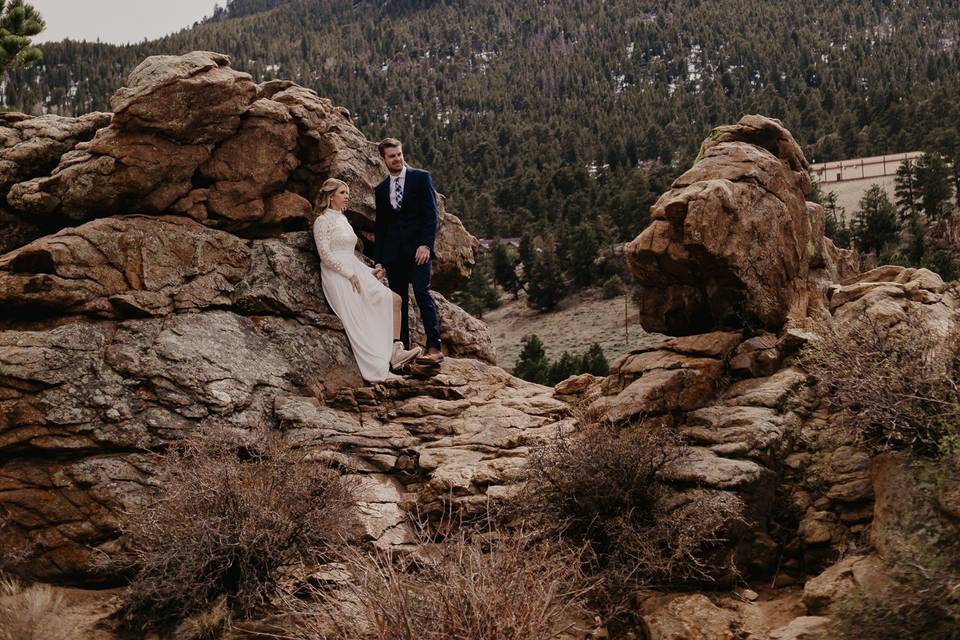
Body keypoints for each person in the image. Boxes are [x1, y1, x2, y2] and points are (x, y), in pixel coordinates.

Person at [312, 178, 421, 381]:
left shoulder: (343, 219)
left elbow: (349, 254)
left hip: (354, 270)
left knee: (395, 299)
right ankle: (378, 367)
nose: (347, 197)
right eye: (343, 193)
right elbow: (325, 256)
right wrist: (349, 274)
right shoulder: (322, 221)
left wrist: (367, 271)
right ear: (330, 196)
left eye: (348, 193)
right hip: (338, 275)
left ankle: (396, 351)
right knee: (361, 320)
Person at [373, 138, 443, 364]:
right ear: (383, 159)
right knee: (399, 301)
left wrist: (426, 245)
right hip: (394, 255)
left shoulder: (421, 178)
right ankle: (402, 352)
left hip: (419, 251)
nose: (397, 159)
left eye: (399, 154)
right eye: (392, 156)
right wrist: (379, 262)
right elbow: (381, 227)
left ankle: (434, 347)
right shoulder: (381, 189)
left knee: (423, 293)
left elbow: (431, 216)